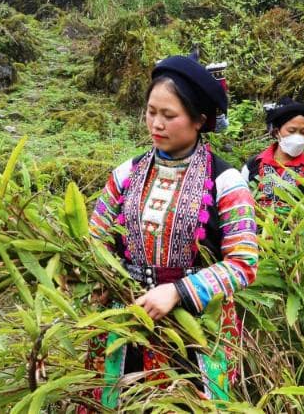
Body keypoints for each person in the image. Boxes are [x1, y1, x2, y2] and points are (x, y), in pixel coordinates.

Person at [82, 55, 259, 410]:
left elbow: (243, 263)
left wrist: (178, 291)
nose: (156, 124)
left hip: (193, 326)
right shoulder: (125, 175)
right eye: (151, 112)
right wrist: (96, 274)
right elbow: (94, 238)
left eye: (169, 115)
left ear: (199, 121)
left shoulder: (227, 183)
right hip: (126, 316)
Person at [241, 97, 304, 215]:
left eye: (303, 132)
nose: (298, 137)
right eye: (291, 131)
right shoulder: (253, 166)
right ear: (276, 132)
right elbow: (240, 203)